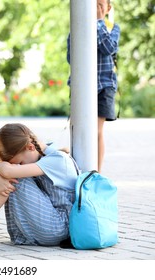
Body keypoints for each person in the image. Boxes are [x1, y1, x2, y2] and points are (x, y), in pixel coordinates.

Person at [67, 0, 120, 173]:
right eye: (93, 3)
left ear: (108, 8)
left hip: (104, 85)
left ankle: (96, 173)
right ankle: (78, 169)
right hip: (81, 87)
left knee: (96, 130)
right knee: (80, 130)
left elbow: (108, 48)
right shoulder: (78, 25)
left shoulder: (113, 28)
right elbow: (71, 57)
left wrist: (98, 22)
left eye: (100, 4)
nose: (96, 7)